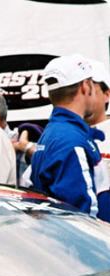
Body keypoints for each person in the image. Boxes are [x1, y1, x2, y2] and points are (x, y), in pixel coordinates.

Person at [30, 54, 108, 220]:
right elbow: (84, 215)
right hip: (84, 243)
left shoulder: (52, 133)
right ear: (86, 86)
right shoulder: (72, 141)